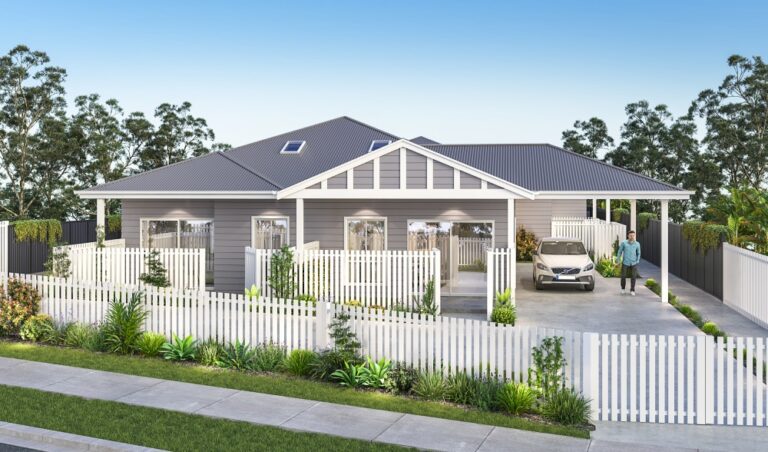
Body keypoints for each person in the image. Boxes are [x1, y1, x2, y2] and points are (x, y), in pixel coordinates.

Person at [615, 230, 641, 296]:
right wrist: (618, 260)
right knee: (623, 276)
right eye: (630, 235)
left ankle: (632, 290)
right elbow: (619, 251)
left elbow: (638, 253)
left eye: (633, 235)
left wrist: (637, 260)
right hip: (625, 262)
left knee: (633, 277)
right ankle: (623, 288)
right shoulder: (624, 243)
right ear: (628, 236)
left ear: (634, 236)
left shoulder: (637, 244)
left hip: (634, 262)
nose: (632, 237)